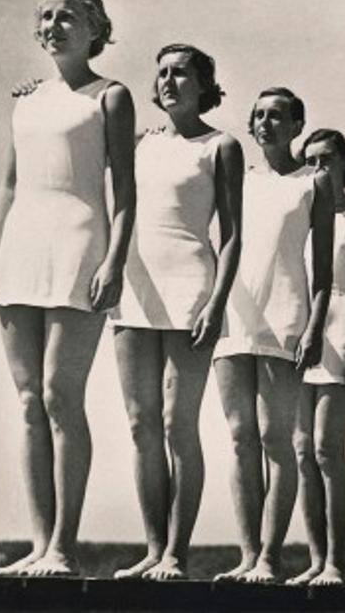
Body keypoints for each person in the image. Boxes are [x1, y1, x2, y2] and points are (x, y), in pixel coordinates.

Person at [0, 0, 135, 577]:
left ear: (95, 26)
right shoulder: (26, 101)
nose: (54, 25)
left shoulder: (111, 96)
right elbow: (11, 185)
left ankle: (65, 548)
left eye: (68, 15)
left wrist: (114, 259)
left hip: (79, 244)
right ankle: (39, 545)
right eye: (45, 16)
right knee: (27, 401)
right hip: (21, 247)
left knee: (60, 396)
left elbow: (125, 189)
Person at [109, 43, 242, 581]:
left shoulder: (221, 146)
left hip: (192, 286)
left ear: (204, 84)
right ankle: (152, 547)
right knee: (142, 424)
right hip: (136, 287)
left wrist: (217, 300)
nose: (168, 81)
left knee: (175, 422)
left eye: (180, 73)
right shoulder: (139, 143)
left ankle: (177, 555)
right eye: (160, 72)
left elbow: (232, 235)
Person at [210, 91, 335, 584]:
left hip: (286, 317)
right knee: (241, 438)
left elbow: (322, 270)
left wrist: (314, 326)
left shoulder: (315, 182)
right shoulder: (235, 178)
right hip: (233, 316)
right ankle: (247, 556)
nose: (265, 123)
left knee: (276, 439)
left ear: (297, 124)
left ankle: (269, 557)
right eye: (258, 115)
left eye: (277, 115)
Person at [290, 129, 345, 587]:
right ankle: (314, 558)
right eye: (310, 161)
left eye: (326, 159)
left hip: (341, 329)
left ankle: (336, 562)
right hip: (296, 330)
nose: (318, 168)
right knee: (302, 450)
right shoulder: (300, 212)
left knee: (327, 448)